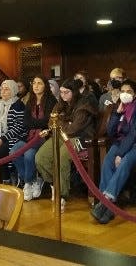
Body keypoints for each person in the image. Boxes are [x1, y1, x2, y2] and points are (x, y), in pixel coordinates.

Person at [91, 79, 136, 224]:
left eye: (129, 91)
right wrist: (117, 114)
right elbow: (111, 132)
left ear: (135, 93)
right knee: (107, 163)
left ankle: (104, 203)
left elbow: (135, 132)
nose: (125, 94)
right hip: (120, 142)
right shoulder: (118, 107)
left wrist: (121, 153)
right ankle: (109, 208)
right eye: (123, 91)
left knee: (124, 163)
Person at [35, 78, 97, 212]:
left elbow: (73, 129)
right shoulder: (60, 104)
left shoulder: (84, 105)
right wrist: (64, 123)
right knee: (40, 157)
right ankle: (55, 184)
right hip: (61, 136)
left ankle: (62, 195)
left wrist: (61, 123)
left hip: (81, 138)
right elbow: (51, 123)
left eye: (66, 92)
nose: (63, 96)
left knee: (62, 156)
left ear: (74, 92)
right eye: (61, 92)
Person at [11, 75, 56, 201]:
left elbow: (47, 121)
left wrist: (34, 122)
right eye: (34, 83)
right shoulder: (30, 100)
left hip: (44, 136)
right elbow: (26, 122)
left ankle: (28, 183)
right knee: (14, 152)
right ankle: (32, 180)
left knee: (29, 154)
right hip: (29, 136)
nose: (36, 86)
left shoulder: (51, 101)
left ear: (45, 85)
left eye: (39, 83)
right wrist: (36, 122)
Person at [0, 80, 25, 183]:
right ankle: (1, 176)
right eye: (1, 89)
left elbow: (18, 127)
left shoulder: (18, 105)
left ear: (13, 90)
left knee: (1, 151)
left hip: (14, 137)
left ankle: (7, 177)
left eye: (6, 89)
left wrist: (1, 140)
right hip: (0, 137)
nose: (3, 91)